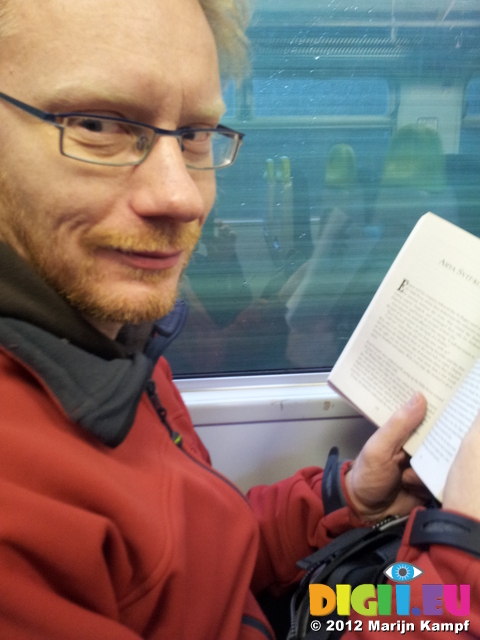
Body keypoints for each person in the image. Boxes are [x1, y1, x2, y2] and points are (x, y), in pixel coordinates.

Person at [0, 2, 478, 640]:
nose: (183, 195)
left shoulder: (113, 348)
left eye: (195, 133)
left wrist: (340, 502)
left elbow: (201, 556)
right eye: (97, 124)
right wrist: (459, 558)